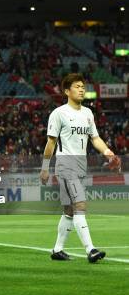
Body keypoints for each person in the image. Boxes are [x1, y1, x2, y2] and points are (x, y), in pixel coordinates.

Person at [41, 73, 121, 263]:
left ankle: (57, 249)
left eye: (83, 86)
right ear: (67, 91)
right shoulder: (59, 113)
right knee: (80, 205)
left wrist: (108, 153)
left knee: (69, 210)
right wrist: (45, 167)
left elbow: (95, 138)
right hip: (65, 164)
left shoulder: (87, 114)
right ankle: (90, 249)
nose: (82, 89)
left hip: (80, 164)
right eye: (77, 86)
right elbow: (50, 143)